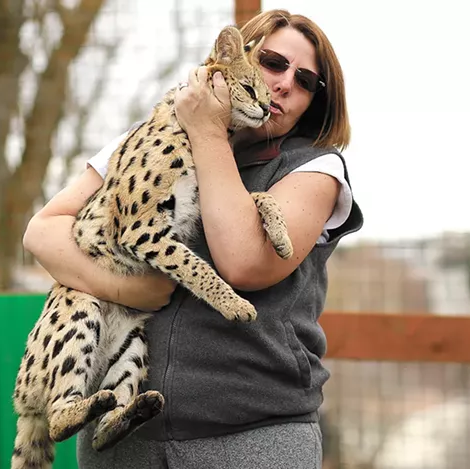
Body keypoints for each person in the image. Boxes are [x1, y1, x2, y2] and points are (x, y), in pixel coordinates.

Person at [23, 8, 363, 469]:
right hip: (127, 437)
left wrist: (206, 129)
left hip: (249, 439)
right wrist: (126, 290)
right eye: (273, 62)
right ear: (234, 60)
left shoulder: (315, 169)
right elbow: (43, 232)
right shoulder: (149, 135)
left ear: (315, 104)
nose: (284, 84)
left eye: (305, 81)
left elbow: (243, 260)